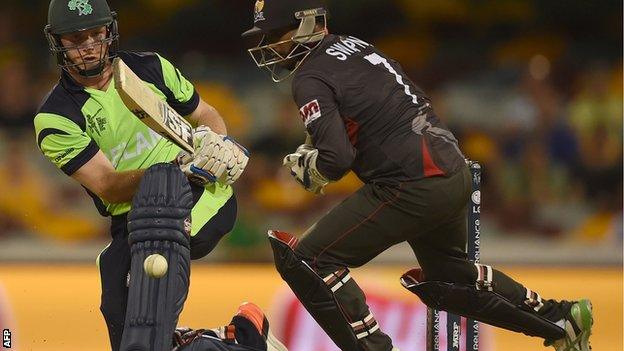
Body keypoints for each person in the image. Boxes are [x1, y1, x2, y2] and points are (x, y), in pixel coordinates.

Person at [242, 1, 593, 351]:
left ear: (304, 25)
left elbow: (336, 160)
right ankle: (559, 317)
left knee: (309, 259)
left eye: (275, 35)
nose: (270, 45)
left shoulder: (309, 75)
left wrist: (312, 168)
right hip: (451, 169)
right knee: (448, 279)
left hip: (410, 182)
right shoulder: (355, 46)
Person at [34, 1, 274, 350]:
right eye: (75, 39)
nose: (87, 46)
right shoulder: (55, 117)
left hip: (198, 196)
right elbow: (107, 185)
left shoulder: (150, 67)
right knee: (130, 332)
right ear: (58, 42)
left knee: (153, 266)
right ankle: (234, 339)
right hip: (131, 218)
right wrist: (175, 166)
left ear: (109, 32)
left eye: (95, 34)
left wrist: (216, 142)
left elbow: (207, 114)